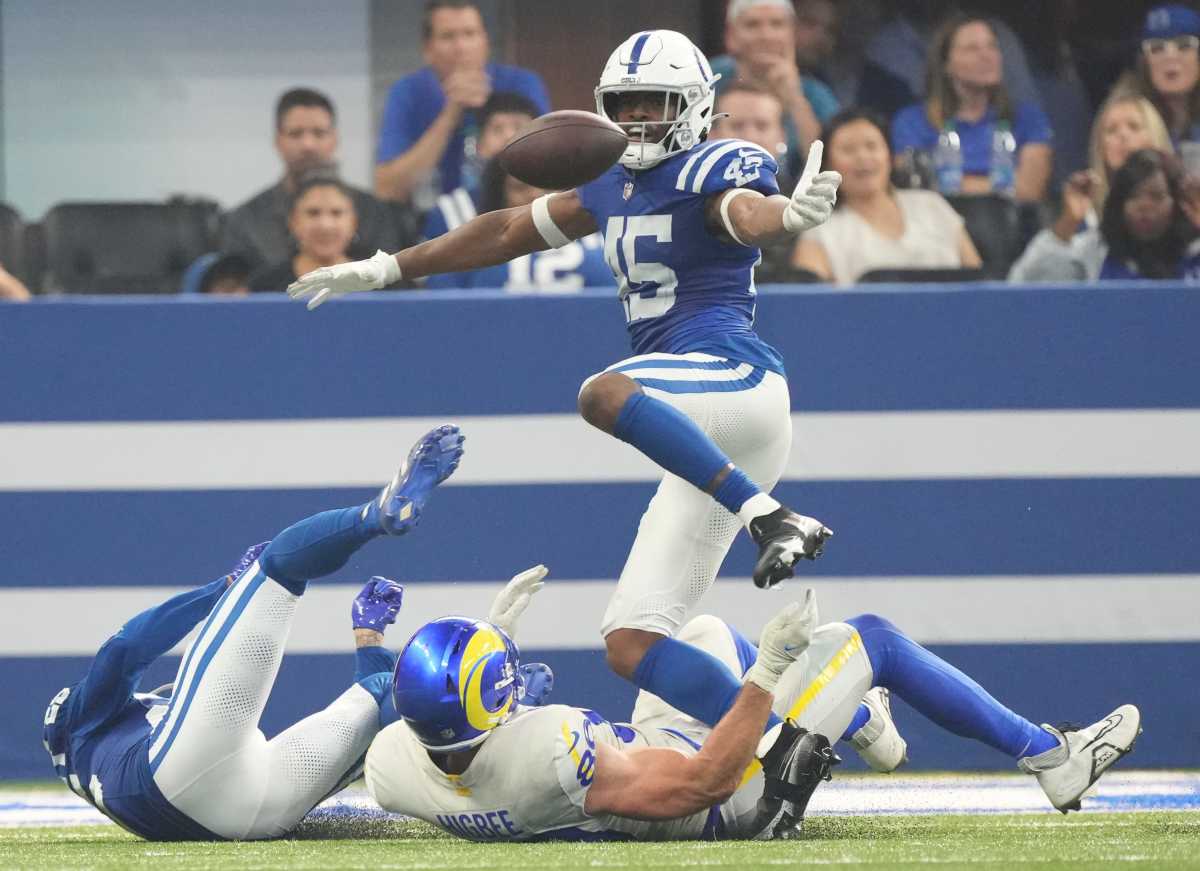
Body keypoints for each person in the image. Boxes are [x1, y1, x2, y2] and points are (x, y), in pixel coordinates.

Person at [288, 30, 843, 758]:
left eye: (658, 103)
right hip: (696, 423)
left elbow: (739, 211)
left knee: (603, 391)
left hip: (737, 382)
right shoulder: (609, 182)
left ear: (696, 107)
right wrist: (389, 265)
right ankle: (795, 743)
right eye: (628, 104)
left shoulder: (719, 163)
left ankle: (770, 516)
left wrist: (786, 216)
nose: (641, 118)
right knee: (630, 642)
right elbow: (510, 227)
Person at [365, 583, 1142, 841]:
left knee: (696, 633)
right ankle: (1051, 754)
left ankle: (862, 722)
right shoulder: (550, 752)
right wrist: (768, 672)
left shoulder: (399, 763)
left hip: (645, 748)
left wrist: (380, 643)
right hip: (732, 794)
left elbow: (418, 715)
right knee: (870, 638)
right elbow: (704, 780)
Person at [40, 425, 466, 841]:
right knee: (280, 565)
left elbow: (366, 723)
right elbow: (125, 648)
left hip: (245, 816)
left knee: (382, 692)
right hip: (174, 770)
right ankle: (377, 516)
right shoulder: (84, 723)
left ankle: (473, 778)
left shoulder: (104, 774)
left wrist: (368, 638)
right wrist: (225, 588)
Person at [374, 0, 550, 207]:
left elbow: (550, 168)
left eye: (470, 34)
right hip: (435, 221)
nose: (461, 47)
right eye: (448, 37)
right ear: (427, 49)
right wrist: (450, 114)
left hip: (511, 212)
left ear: (485, 41)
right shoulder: (407, 92)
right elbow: (387, 189)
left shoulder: (521, 83)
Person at [222, 88, 409, 273]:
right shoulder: (246, 221)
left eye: (319, 133)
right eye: (295, 134)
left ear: (335, 139)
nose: (308, 145)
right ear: (278, 140)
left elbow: (392, 285)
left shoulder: (375, 214)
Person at [793, 109, 981, 285]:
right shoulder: (820, 229)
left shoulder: (932, 205)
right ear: (828, 165)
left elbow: (980, 282)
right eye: (848, 150)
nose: (863, 157)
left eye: (872, 146)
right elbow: (807, 303)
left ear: (890, 156)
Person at [890, 13, 1054, 203]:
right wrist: (1004, 184)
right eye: (971, 49)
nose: (987, 56)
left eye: (992, 46)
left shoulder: (1028, 118)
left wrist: (947, 182)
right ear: (946, 64)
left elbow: (1029, 190)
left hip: (1013, 226)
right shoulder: (912, 121)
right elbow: (916, 188)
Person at [1009, 96, 1173, 282]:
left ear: (1156, 136)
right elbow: (1023, 283)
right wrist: (1067, 224)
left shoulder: (1187, 216)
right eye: (1111, 130)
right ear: (1101, 147)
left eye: (1134, 127)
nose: (1123, 136)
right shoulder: (1086, 223)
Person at [425, 158, 610, 291]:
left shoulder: (606, 240)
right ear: (500, 196)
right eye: (521, 188)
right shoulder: (470, 251)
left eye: (548, 184)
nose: (535, 194)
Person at [710, 0, 839, 177]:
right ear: (731, 35)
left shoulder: (817, 96)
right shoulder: (708, 78)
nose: (766, 35)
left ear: (792, 34)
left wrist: (795, 100)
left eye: (777, 24)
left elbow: (833, 169)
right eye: (752, 24)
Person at [248, 178, 404, 293]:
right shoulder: (264, 285)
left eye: (337, 213)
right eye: (313, 213)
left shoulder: (380, 281)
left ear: (354, 223)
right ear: (293, 222)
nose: (325, 225)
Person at [422, 92, 541, 242]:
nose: (509, 136)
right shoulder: (448, 212)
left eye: (519, 127)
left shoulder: (565, 198)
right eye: (497, 129)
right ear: (479, 145)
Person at [1097, 148, 1200, 280]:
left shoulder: (1195, 254)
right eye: (1133, 196)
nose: (1144, 206)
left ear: (1179, 203)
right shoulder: (1097, 254)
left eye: (1157, 196)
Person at [1115, 5, 1200, 150]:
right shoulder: (1126, 122)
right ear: (1144, 63)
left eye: (1184, 45)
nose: (1170, 57)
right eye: (1156, 48)